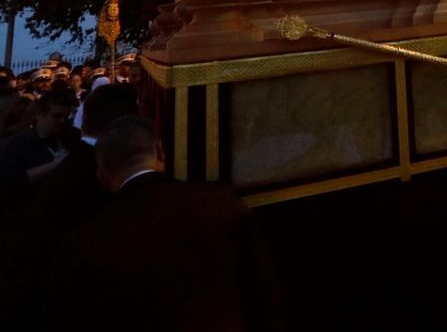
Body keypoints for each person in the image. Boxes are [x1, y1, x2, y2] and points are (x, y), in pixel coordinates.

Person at [48, 116, 282, 330]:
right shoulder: (220, 202)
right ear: (160, 151)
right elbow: (262, 293)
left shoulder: (81, 245)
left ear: (102, 175)